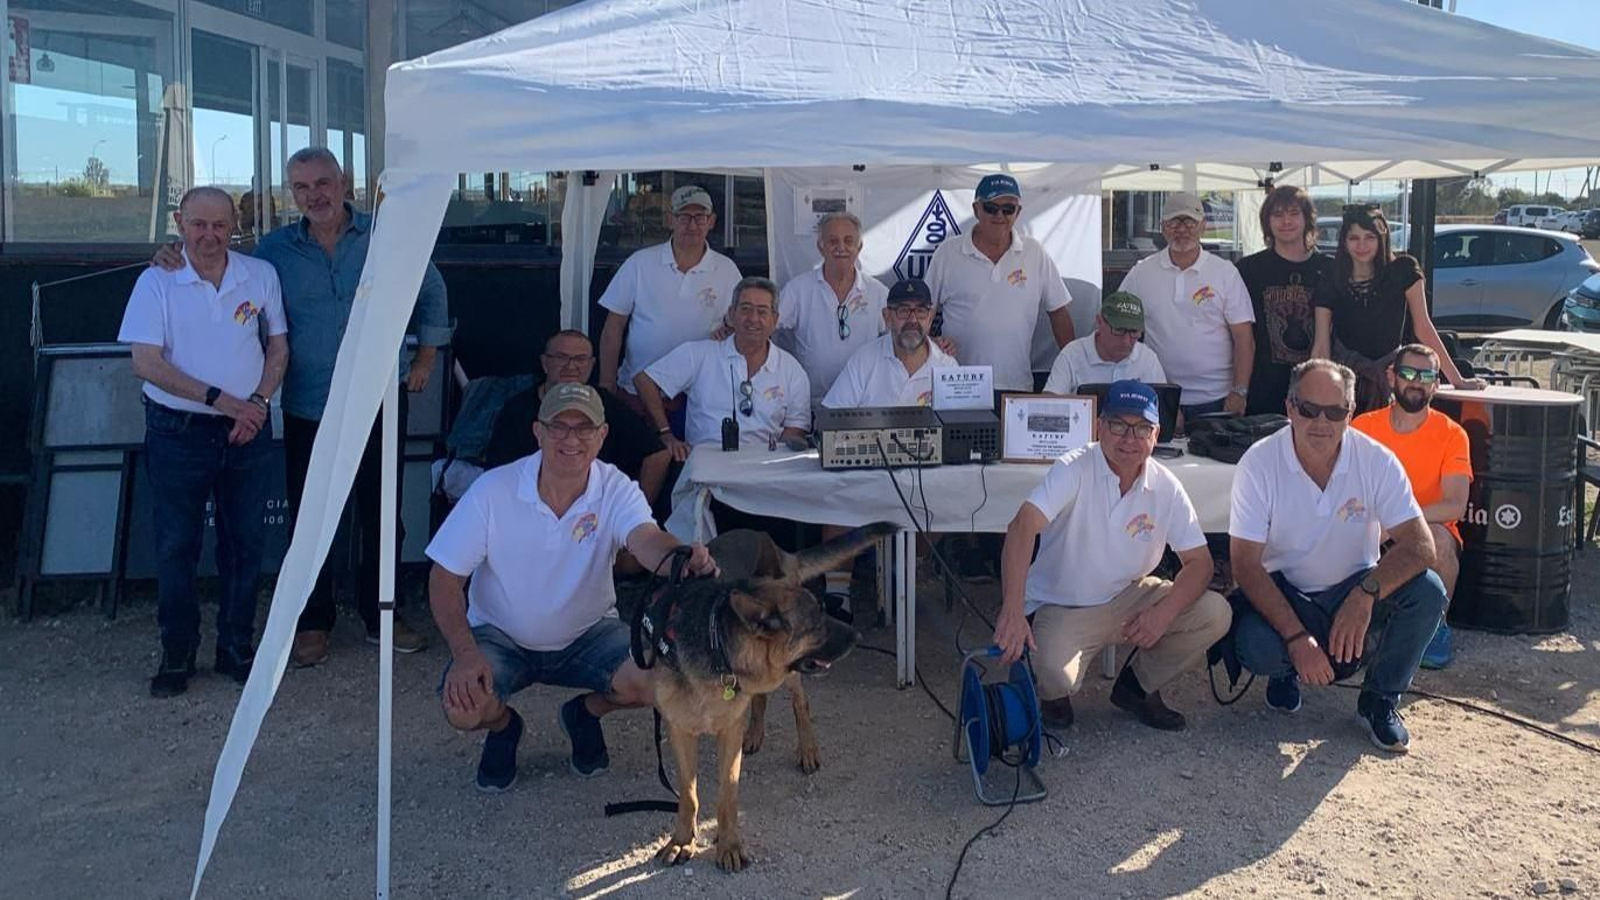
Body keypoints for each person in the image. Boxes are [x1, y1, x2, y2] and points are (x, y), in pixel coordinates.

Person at [155, 147, 452, 666]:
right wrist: (173, 255)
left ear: (344, 184)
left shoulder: (387, 237)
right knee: (311, 517)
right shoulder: (272, 252)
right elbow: (218, 263)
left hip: (378, 398)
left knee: (383, 516)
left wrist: (425, 357)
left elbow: (432, 291)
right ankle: (313, 620)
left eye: (323, 183)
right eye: (301, 187)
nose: (314, 195)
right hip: (307, 403)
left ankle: (381, 613)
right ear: (291, 195)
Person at [426, 383, 718, 792]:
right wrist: (464, 654)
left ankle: (585, 712)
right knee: (463, 709)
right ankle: (505, 727)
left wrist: (682, 559)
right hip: (500, 636)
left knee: (659, 683)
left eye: (584, 429)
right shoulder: (493, 490)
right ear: (538, 432)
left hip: (589, 633)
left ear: (602, 436)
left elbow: (646, 539)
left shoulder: (615, 487)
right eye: (559, 426)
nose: (571, 438)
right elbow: (444, 578)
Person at [1229, 359, 1447, 752]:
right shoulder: (1259, 464)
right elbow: (1245, 564)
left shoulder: (1377, 460)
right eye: (1309, 409)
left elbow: (1421, 546)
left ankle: (1379, 700)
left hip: (1354, 583)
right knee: (1254, 646)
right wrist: (1296, 637)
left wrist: (1365, 595)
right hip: (1287, 591)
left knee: (1429, 592)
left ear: (1351, 412)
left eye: (1335, 412)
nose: (1321, 422)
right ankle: (1285, 672)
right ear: (1290, 407)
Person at [120, 187, 289, 697]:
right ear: (180, 222)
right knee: (177, 546)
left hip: (248, 431)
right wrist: (221, 400)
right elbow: (145, 363)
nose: (210, 235)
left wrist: (257, 404)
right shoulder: (157, 282)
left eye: (220, 225)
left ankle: (237, 649)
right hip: (179, 432)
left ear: (233, 224)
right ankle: (177, 653)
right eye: (199, 225)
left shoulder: (259, 275)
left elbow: (278, 346)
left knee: (246, 546)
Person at [992, 380, 1231, 731]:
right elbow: (1021, 527)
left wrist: (1162, 614)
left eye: (1142, 429)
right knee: (1057, 677)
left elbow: (1200, 563)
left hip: (1131, 595)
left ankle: (1138, 688)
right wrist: (1011, 610)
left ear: (1156, 434)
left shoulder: (1166, 484)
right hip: (1065, 606)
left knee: (1215, 613)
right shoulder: (1073, 467)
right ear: (1099, 426)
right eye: (1118, 425)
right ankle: (1052, 697)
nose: (1129, 439)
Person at [815, 277, 956, 619]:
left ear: (931, 315)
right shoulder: (865, 359)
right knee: (836, 494)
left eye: (920, 311)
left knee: (952, 502)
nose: (912, 319)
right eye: (903, 310)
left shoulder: (948, 367)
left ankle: (910, 569)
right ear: (886, 316)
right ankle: (837, 593)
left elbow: (957, 429)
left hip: (925, 473)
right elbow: (832, 416)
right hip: (867, 469)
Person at [1352, 344, 1471, 670]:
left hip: (1418, 529)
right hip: (1370, 527)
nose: (1416, 382)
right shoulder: (1362, 427)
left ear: (1436, 384)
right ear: (1391, 377)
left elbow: (1455, 505)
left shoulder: (1452, 434)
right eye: (1407, 373)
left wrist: (1399, 522)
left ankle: (1434, 628)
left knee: (1440, 540)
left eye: (1426, 376)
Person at [1312, 203, 1486, 413]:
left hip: (1393, 377)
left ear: (1382, 237)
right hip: (1344, 378)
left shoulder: (1403, 270)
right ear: (1344, 241)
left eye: (1370, 237)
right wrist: (1315, 388)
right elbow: (1322, 343)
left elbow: (1424, 328)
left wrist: (1457, 378)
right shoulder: (1331, 276)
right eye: (1354, 238)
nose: (1362, 245)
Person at [598, 184, 743, 432]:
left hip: (699, 396)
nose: (692, 224)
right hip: (636, 394)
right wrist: (606, 387)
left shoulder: (727, 269)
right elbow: (613, 328)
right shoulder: (639, 263)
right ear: (670, 220)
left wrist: (729, 329)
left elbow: (742, 322)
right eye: (684, 216)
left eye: (700, 217)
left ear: (712, 221)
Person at [484, 330, 670, 508]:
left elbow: (658, 455)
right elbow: (496, 474)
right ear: (545, 363)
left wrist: (637, 513)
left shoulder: (609, 406)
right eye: (561, 357)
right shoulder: (516, 410)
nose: (571, 366)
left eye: (580, 359)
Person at [925, 173, 1074, 394]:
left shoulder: (1035, 253)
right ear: (976, 210)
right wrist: (930, 347)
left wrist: (1073, 369)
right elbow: (924, 312)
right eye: (991, 208)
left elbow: (1059, 312)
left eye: (1008, 209)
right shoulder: (947, 253)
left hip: (1016, 385)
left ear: (1019, 212)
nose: (1000, 215)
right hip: (958, 385)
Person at [634, 276, 811, 460]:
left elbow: (795, 428)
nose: (753, 318)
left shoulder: (792, 370)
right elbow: (644, 380)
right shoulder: (699, 354)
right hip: (705, 467)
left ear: (775, 320)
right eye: (745, 309)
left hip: (764, 470)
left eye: (762, 311)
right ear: (731, 314)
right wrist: (665, 434)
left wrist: (773, 463)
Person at [1119, 192, 1255, 420]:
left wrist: (1239, 391)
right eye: (1174, 222)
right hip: (1158, 396)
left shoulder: (1225, 273)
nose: (1181, 229)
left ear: (1203, 226)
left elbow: (1244, 339)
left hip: (1217, 400)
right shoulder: (1141, 273)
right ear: (1162, 226)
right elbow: (1119, 326)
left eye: (1189, 221)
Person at [1236, 185, 1334, 415]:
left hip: (1313, 387)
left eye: (1293, 213)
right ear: (1267, 222)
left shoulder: (1329, 268)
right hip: (1263, 388)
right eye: (1278, 215)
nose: (1286, 221)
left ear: (1306, 219)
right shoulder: (1248, 269)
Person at [777, 212, 890, 399]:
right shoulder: (797, 289)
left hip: (863, 401)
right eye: (833, 241)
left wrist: (933, 344)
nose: (841, 248)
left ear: (859, 247)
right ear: (820, 247)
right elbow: (767, 325)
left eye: (848, 241)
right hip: (811, 401)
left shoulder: (878, 293)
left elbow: (900, 337)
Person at [1041, 290, 1166, 395]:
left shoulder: (1148, 359)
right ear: (1099, 322)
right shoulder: (1072, 355)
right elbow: (1048, 404)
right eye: (1119, 330)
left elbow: (1168, 413)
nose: (1126, 340)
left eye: (1134, 332)